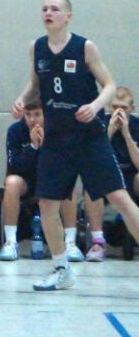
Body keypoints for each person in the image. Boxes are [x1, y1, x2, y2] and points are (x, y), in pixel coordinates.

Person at [12, 0, 139, 291]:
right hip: (56, 139)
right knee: (47, 203)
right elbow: (35, 84)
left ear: (68, 16)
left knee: (120, 198)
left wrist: (95, 106)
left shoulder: (85, 47)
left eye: (54, 9)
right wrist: (22, 98)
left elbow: (109, 84)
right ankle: (61, 269)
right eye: (44, 8)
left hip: (89, 138)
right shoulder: (37, 47)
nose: (48, 12)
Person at [0, 96, 78, 259]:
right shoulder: (15, 131)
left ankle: (70, 243)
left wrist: (45, 146)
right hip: (26, 181)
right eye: (28, 114)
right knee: (11, 183)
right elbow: (15, 166)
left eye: (37, 114)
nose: (32, 119)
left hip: (51, 180)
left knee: (68, 182)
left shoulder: (57, 130)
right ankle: (11, 242)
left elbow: (65, 164)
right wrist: (33, 147)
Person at [80, 85, 139, 262]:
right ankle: (98, 242)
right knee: (92, 184)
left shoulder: (137, 126)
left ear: (132, 108)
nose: (118, 112)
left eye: (123, 108)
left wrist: (127, 135)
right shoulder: (100, 124)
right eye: (114, 107)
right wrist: (109, 133)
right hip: (108, 176)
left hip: (131, 177)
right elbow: (92, 161)